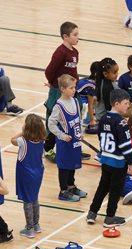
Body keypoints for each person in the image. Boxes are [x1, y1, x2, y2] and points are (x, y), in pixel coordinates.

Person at [86, 89, 132, 227]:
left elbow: (100, 137)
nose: (128, 106)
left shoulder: (103, 118)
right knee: (115, 190)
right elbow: (126, 146)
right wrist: (131, 165)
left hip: (105, 159)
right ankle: (109, 218)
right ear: (116, 103)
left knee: (102, 187)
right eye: (126, 103)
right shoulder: (121, 123)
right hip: (118, 163)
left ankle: (92, 213)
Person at [44, 22, 84, 162]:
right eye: (75, 35)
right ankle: (48, 149)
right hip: (58, 90)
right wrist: (54, 84)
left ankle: (74, 144)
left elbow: (73, 71)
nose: (78, 38)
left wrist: (75, 84)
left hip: (71, 90)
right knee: (54, 117)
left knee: (76, 112)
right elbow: (49, 71)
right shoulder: (60, 52)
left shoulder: (75, 52)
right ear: (65, 36)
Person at [48, 74, 87, 202]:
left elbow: (79, 118)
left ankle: (71, 186)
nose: (74, 90)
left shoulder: (75, 101)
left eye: (74, 87)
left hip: (75, 140)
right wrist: (61, 135)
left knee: (73, 164)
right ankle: (63, 190)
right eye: (71, 88)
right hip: (65, 142)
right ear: (63, 89)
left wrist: (80, 131)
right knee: (64, 166)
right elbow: (51, 123)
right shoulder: (58, 106)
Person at [11, 114, 46, 238]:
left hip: (26, 174)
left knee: (27, 200)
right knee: (34, 199)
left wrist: (22, 132)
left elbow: (12, 140)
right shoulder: (42, 140)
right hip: (38, 173)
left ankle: (29, 228)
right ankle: (36, 225)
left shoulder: (23, 141)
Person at [95, 58, 120, 122]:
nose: (117, 74)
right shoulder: (107, 87)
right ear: (105, 74)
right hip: (104, 118)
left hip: (101, 115)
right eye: (114, 72)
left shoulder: (103, 81)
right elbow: (108, 107)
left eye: (117, 71)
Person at [77, 61, 99, 133]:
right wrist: (92, 120)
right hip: (79, 104)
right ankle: (85, 120)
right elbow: (90, 105)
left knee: (95, 99)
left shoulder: (87, 79)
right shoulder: (91, 85)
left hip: (78, 99)